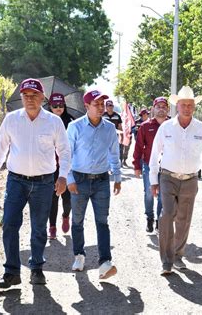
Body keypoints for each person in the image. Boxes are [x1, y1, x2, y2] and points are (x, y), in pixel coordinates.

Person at [0, 78, 71, 288]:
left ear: (42, 98)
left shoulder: (54, 122)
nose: (30, 99)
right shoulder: (11, 120)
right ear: (22, 98)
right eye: (26, 95)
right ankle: (12, 272)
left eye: (34, 95)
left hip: (44, 183)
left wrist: (63, 177)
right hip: (16, 181)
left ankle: (36, 269)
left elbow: (64, 151)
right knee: (8, 223)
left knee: (39, 228)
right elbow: (0, 149)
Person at [149, 86, 202, 275]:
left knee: (184, 220)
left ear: (194, 107)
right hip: (168, 177)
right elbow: (155, 154)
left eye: (190, 105)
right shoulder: (166, 127)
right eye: (183, 104)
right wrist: (153, 180)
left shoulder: (200, 129)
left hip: (190, 179)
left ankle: (178, 255)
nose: (187, 107)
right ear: (177, 106)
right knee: (167, 214)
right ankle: (166, 260)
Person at [67, 90, 122, 279]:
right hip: (79, 179)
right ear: (87, 106)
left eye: (102, 103)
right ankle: (79, 255)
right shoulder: (75, 127)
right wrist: (69, 179)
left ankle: (105, 262)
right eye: (96, 104)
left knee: (102, 222)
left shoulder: (109, 129)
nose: (101, 107)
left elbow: (114, 153)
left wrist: (117, 177)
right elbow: (66, 155)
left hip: (101, 180)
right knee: (77, 221)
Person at [133, 98, 169, 233]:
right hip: (149, 166)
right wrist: (137, 165)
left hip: (167, 168)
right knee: (149, 194)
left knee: (163, 195)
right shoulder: (145, 126)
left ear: (168, 109)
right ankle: (149, 217)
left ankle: (160, 221)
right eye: (158, 106)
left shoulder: (172, 125)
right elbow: (138, 147)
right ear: (153, 109)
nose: (161, 109)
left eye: (164, 106)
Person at [47, 93, 75, 239]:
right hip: (49, 165)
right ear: (50, 106)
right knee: (52, 197)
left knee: (67, 197)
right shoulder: (44, 120)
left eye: (61, 106)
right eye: (55, 106)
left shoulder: (71, 121)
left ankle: (65, 216)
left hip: (67, 164)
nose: (58, 108)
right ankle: (52, 227)